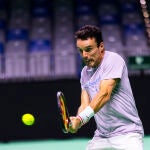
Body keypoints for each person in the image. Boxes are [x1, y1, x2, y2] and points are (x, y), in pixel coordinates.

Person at [68, 25, 144, 150]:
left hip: (127, 133)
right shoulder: (84, 73)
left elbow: (104, 94)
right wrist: (77, 121)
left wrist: (81, 119)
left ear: (101, 47)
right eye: (81, 51)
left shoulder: (113, 60)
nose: (84, 55)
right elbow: (85, 105)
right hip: (102, 136)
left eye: (88, 49)